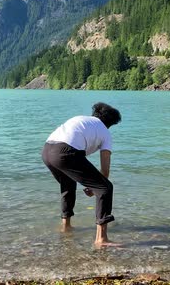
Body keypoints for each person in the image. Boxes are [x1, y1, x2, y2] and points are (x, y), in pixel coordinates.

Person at [42, 102, 122, 247]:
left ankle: (66, 227)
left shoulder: (81, 119)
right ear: (110, 123)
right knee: (105, 188)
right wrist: (95, 187)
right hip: (65, 153)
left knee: (68, 185)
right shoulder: (105, 132)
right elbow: (105, 170)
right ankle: (101, 239)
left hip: (47, 150)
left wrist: (93, 185)